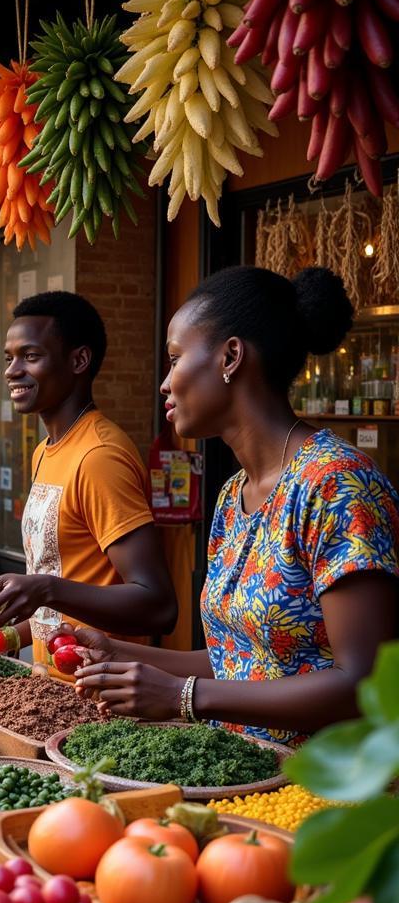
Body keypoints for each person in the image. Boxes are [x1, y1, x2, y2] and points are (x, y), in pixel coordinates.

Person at [72, 266, 399, 746]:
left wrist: (186, 696)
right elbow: (241, 661)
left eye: (176, 358)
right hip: (241, 775)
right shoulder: (233, 496)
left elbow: (365, 684)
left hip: (324, 794)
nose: (164, 383)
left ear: (230, 357)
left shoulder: (336, 485)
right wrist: (118, 654)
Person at [0, 291, 177, 670]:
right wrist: (11, 632)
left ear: (79, 360)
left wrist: (46, 589)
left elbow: (158, 606)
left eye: (30, 356)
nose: (12, 370)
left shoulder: (100, 457)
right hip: (51, 685)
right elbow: (71, 576)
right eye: (9, 358)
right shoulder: (45, 450)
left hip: (104, 691)